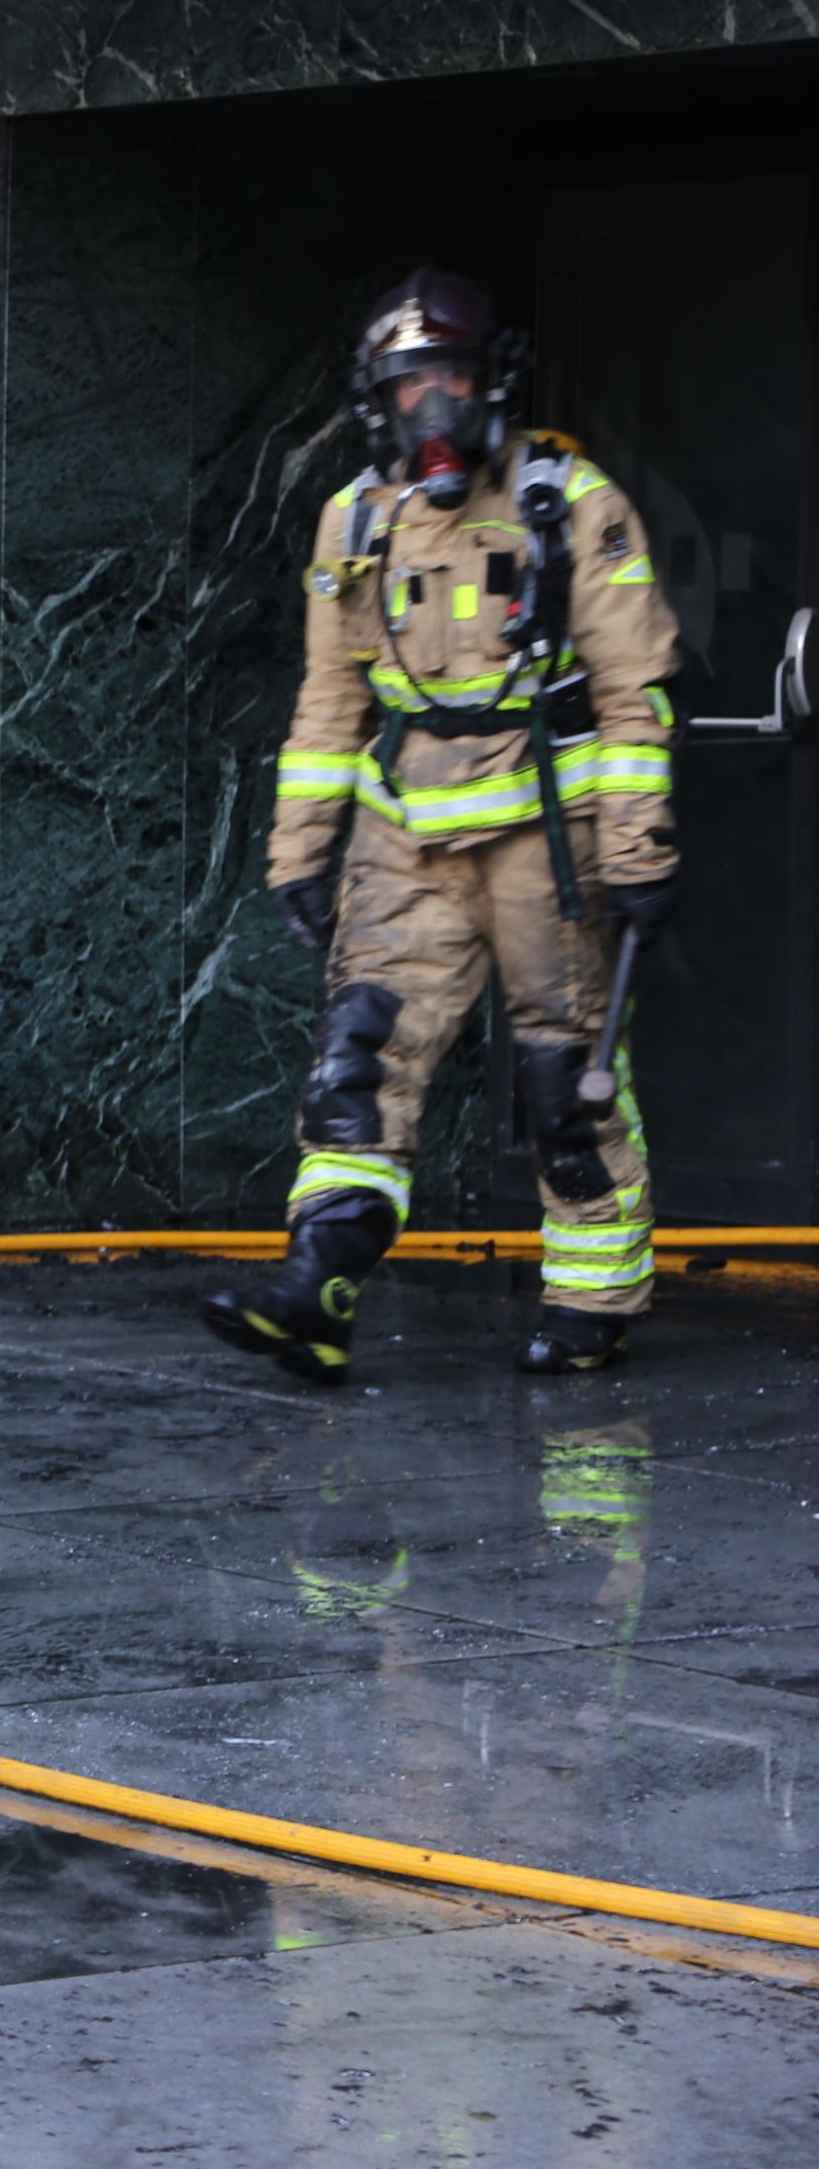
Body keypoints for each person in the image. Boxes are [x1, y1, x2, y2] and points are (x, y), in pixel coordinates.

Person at [204, 271, 679, 1383]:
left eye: (451, 377)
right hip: (402, 844)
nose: (434, 407)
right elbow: (327, 702)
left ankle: (592, 1303)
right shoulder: (358, 520)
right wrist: (298, 853)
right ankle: (315, 1289)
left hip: (547, 850)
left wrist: (639, 850)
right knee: (356, 1071)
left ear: (492, 379)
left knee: (569, 1086)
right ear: (378, 397)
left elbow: (635, 691)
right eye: (409, 383)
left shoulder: (571, 500)